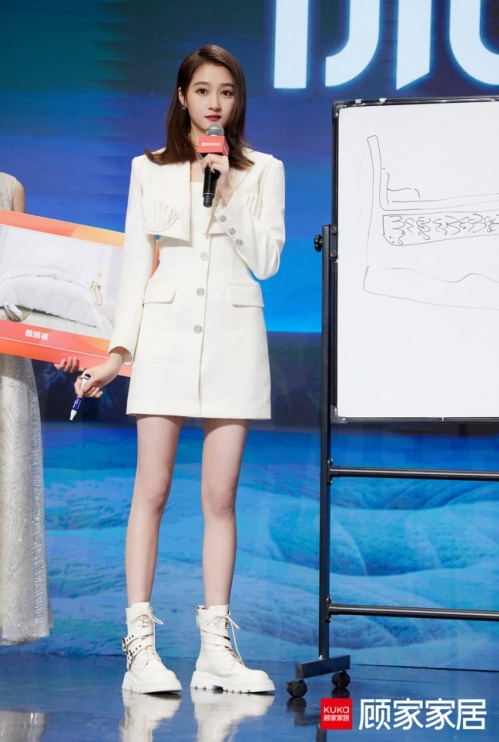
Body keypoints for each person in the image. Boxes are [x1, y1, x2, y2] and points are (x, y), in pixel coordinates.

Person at [76, 45, 285, 695]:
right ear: (181, 97)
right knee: (153, 490)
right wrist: (118, 353)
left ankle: (215, 650)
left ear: (237, 100)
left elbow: (267, 260)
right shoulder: (148, 170)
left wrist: (229, 192)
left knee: (220, 498)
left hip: (234, 339)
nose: (214, 102)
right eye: (202, 90)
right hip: (164, 338)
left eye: (226, 91)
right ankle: (140, 648)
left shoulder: (263, 170)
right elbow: (136, 266)